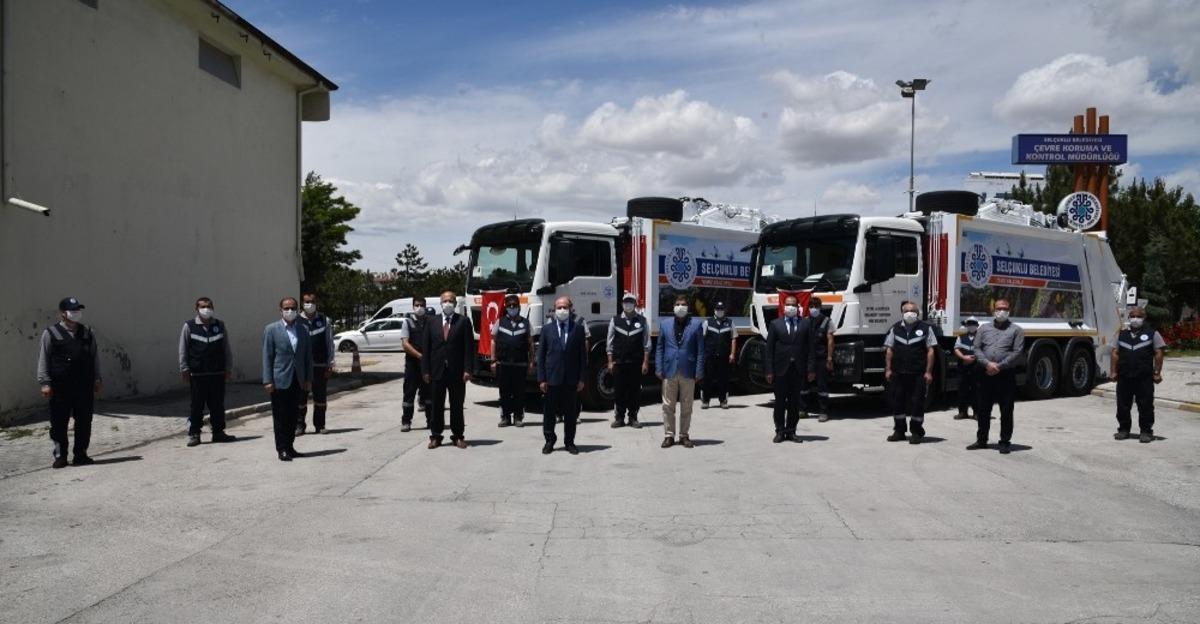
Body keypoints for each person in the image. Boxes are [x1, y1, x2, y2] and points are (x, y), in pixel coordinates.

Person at [36, 297, 102, 468]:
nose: (76, 313)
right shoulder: (51, 333)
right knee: (59, 422)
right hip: (60, 387)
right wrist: (45, 383)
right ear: (63, 314)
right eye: (73, 311)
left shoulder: (87, 332)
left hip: (83, 385)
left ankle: (81, 454)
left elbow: (94, 357)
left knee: (84, 421)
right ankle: (61, 456)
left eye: (78, 310)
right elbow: (43, 359)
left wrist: (97, 378)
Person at [967, 298, 1025, 454]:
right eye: (999, 308)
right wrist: (987, 364)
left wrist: (999, 366)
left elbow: (1017, 352)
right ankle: (981, 440)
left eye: (1005, 309)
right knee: (983, 409)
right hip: (985, 373)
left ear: (1009, 311)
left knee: (1006, 410)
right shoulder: (983, 329)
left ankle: (1004, 442)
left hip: (1005, 375)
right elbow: (976, 348)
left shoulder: (1016, 330)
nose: (1001, 311)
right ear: (993, 310)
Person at [178, 296, 235, 447]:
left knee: (217, 405)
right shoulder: (189, 326)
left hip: (217, 373)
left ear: (213, 308)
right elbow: (183, 349)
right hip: (197, 374)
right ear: (196, 309)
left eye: (209, 306)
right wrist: (184, 368)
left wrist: (228, 368)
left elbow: (226, 348)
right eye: (203, 306)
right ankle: (194, 434)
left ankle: (218, 432)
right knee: (197, 405)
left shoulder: (219, 325)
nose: (206, 309)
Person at [421, 291, 475, 449]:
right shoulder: (431, 322)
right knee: (436, 405)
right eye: (445, 301)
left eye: (451, 301)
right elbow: (426, 348)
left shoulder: (463, 321)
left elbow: (469, 348)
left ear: (455, 304)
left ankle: (458, 436)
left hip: (456, 372)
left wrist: (468, 369)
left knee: (456, 405)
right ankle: (436, 436)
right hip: (436, 371)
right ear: (440, 303)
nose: (448, 303)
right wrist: (425, 370)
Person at [262, 297, 313, 461]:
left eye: (293, 308)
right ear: (280, 310)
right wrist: (268, 380)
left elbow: (307, 356)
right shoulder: (271, 329)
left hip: (298, 379)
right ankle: (282, 448)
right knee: (280, 416)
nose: (289, 311)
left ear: (297, 310)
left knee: (293, 415)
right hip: (279, 380)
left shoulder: (303, 329)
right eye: (286, 308)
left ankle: (290, 447)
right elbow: (267, 356)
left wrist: (308, 379)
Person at [538, 296, 587, 454]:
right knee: (549, 413)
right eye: (559, 307)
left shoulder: (578, 329)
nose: (562, 310)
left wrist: (581, 378)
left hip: (571, 380)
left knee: (570, 413)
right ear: (554, 309)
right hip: (552, 379)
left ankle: (569, 442)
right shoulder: (547, 329)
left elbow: (582, 357)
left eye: (565, 307)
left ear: (570, 309)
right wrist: (542, 379)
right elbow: (541, 356)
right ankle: (549, 440)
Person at [1110, 306, 1167, 443]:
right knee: (1122, 405)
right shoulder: (1121, 334)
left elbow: (1159, 353)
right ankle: (1123, 430)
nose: (1135, 319)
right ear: (1129, 318)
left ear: (1144, 317)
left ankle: (1146, 432)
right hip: (1124, 376)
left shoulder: (1153, 333)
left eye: (1139, 316)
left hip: (1144, 377)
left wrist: (1157, 372)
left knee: (1145, 405)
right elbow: (1115, 353)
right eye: (1132, 316)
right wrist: (1113, 371)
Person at [656, 294, 706, 448]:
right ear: (673, 307)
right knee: (667, 405)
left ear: (688, 307)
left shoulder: (696, 325)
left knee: (687, 405)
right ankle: (669, 435)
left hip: (688, 370)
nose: (680, 307)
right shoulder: (664, 324)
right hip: (669, 370)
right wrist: (658, 368)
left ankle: (684, 435)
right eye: (677, 304)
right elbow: (660, 348)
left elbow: (701, 350)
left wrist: (699, 371)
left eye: (683, 304)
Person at [884, 301, 937, 444]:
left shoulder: (925, 328)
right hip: (898, 372)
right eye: (907, 311)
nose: (910, 313)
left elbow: (931, 351)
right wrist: (888, 369)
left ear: (918, 313)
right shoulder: (895, 328)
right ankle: (899, 431)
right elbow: (889, 350)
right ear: (902, 313)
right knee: (897, 401)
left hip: (918, 373)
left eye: (913, 311)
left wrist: (928, 372)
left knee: (917, 402)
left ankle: (916, 432)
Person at [764, 295, 815, 443]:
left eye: (793, 304)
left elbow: (811, 348)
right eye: (787, 304)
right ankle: (780, 431)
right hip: (780, 369)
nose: (790, 307)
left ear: (798, 307)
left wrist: (811, 369)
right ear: (784, 306)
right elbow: (769, 350)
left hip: (798, 369)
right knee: (780, 402)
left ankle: (791, 431)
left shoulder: (806, 324)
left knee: (794, 402)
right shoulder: (775, 324)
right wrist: (769, 370)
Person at [606, 292, 650, 429]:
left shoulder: (642, 321)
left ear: (635, 304)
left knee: (634, 391)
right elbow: (609, 343)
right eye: (626, 302)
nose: (628, 304)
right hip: (619, 363)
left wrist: (645, 362)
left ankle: (633, 418)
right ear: (622, 304)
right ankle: (619, 418)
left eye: (631, 301)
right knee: (619, 391)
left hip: (636, 363)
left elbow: (647, 343)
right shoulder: (615, 320)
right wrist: (610, 361)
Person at [492, 293, 534, 428]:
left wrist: (531, 361)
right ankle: (505, 417)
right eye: (509, 305)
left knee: (519, 392)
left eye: (514, 305)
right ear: (505, 307)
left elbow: (531, 344)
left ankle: (518, 417)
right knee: (504, 392)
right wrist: (493, 360)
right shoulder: (500, 322)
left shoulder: (526, 323)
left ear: (519, 307)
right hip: (503, 363)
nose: (511, 307)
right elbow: (493, 341)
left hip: (520, 364)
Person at [298, 293, 335, 435]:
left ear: (316, 302)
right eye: (307, 301)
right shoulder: (296, 320)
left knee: (320, 398)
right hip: (301, 368)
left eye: (312, 301)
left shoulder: (324, 320)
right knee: (300, 398)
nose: (310, 304)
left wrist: (330, 363)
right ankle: (299, 426)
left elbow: (329, 343)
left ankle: (320, 425)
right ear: (302, 303)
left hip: (320, 366)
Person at [399, 296, 431, 432]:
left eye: (422, 305)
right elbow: (405, 344)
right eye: (417, 305)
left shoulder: (430, 322)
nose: (419, 308)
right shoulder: (407, 322)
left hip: (428, 365)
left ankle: (431, 421)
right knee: (409, 394)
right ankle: (406, 421)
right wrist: (419, 356)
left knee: (429, 395)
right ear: (413, 307)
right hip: (412, 364)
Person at [700, 301, 736, 410]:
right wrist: (701, 354)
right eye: (718, 309)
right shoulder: (707, 322)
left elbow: (733, 338)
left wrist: (732, 354)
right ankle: (705, 401)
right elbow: (702, 339)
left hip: (724, 356)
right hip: (709, 356)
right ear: (714, 310)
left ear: (724, 310)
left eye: (721, 309)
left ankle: (723, 401)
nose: (719, 311)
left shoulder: (730, 322)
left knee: (723, 379)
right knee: (707, 379)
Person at [804, 297, 835, 422]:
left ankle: (823, 412)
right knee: (804, 385)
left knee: (822, 386)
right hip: (807, 358)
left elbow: (830, 340)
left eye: (816, 306)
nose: (813, 308)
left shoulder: (827, 321)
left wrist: (829, 358)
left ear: (820, 307)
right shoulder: (805, 321)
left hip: (821, 358)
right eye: (811, 306)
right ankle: (803, 410)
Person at [952, 317, 981, 420]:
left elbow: (985, 350)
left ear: (977, 325)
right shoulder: (961, 337)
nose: (971, 326)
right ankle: (962, 412)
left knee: (976, 390)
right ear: (966, 325)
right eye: (969, 324)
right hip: (963, 367)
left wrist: (974, 358)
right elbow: (956, 349)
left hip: (976, 367)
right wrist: (964, 357)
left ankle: (977, 413)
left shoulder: (981, 337)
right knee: (962, 390)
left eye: (973, 323)